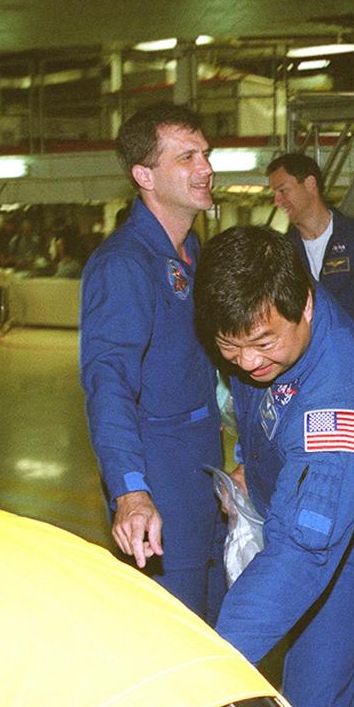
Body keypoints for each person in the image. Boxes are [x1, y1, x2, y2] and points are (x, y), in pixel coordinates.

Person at [194, 226, 354, 707]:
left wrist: (211, 663)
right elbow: (261, 401)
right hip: (286, 489)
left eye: (261, 343)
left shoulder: (339, 397)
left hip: (344, 529)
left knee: (310, 693)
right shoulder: (270, 302)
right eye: (230, 349)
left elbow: (304, 550)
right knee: (331, 666)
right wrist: (247, 462)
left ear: (306, 305)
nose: (248, 362)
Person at [79, 102, 226, 621]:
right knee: (178, 624)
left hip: (205, 465)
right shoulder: (124, 264)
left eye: (205, 154)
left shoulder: (192, 254)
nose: (206, 168)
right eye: (187, 157)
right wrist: (130, 491)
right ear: (144, 175)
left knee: (219, 619)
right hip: (159, 471)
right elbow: (108, 382)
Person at [268, 153, 354, 419]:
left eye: (283, 190)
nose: (277, 201)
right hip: (306, 383)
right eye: (275, 193)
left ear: (310, 184)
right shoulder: (282, 253)